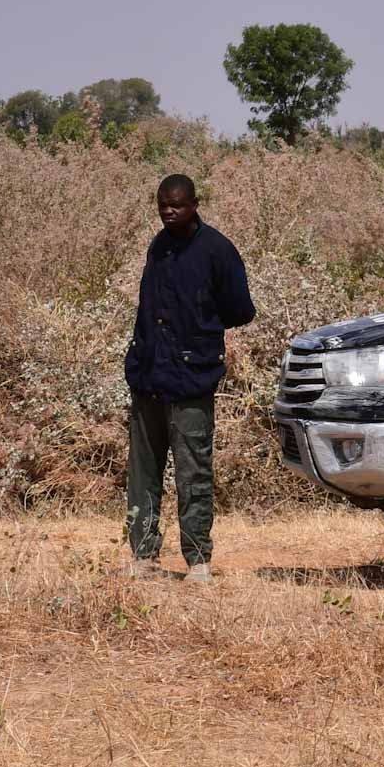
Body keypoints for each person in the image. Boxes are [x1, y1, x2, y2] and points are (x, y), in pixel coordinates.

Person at [122, 174, 255, 582]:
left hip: (191, 380)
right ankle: (143, 556)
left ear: (195, 204)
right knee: (143, 472)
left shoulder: (217, 250)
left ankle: (198, 561)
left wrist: (200, 327)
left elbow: (241, 310)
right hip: (148, 377)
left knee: (193, 473)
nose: (168, 211)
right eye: (162, 204)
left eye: (176, 204)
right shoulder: (158, 246)